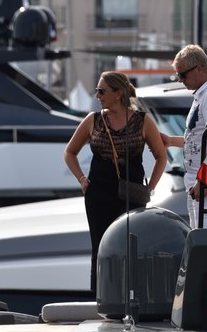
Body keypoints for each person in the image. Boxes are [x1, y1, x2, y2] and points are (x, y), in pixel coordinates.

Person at [63, 71, 166, 294]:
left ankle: (132, 298)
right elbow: (70, 152)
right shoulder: (94, 120)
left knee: (131, 247)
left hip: (132, 192)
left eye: (102, 91)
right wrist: (81, 178)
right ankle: (101, 298)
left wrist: (151, 188)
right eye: (97, 90)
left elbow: (161, 156)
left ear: (118, 94)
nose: (97, 95)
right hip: (98, 192)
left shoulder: (142, 120)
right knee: (100, 247)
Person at [160, 45, 207, 229]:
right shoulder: (203, 95)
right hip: (201, 184)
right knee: (202, 243)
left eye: (182, 74)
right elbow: (200, 139)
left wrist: (204, 182)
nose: (179, 80)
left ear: (200, 68)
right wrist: (170, 141)